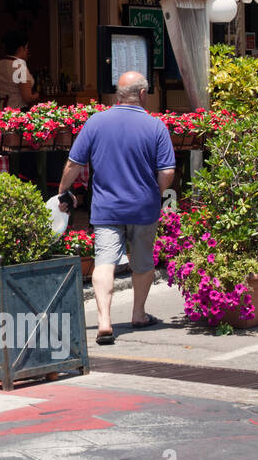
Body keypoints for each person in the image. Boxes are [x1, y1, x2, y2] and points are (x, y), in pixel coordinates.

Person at [56, 71, 175, 345]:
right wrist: (156, 193)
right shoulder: (156, 126)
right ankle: (138, 313)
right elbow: (167, 171)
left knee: (104, 262)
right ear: (143, 94)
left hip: (107, 207)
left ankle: (105, 321)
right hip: (144, 207)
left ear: (117, 95)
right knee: (143, 262)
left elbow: (74, 163)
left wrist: (63, 190)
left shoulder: (96, 122)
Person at [0, 32, 38, 109]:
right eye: (26, 47)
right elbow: (27, 97)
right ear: (21, 48)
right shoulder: (19, 66)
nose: (27, 50)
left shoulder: (0, 63)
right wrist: (37, 95)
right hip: (17, 109)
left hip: (2, 108)